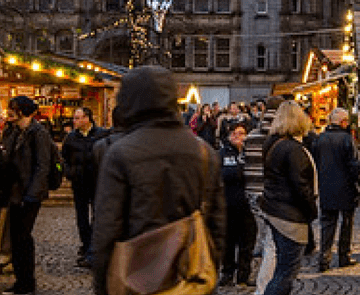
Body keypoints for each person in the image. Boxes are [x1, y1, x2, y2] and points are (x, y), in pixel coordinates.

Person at [91, 66, 225, 295]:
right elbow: (217, 224)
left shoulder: (120, 153)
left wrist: (103, 285)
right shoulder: (204, 152)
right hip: (190, 278)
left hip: (136, 278)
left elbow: (106, 228)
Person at [256, 101, 318, 295]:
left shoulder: (273, 143)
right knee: (286, 272)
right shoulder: (292, 149)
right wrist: (311, 210)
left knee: (282, 268)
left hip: (276, 209)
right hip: (290, 216)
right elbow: (300, 186)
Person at [0, 96, 53, 295]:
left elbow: (43, 166)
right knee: (16, 238)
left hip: (29, 194)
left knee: (23, 238)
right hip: (14, 193)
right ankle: (21, 280)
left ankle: (26, 283)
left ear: (22, 111)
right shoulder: (13, 131)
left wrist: (32, 194)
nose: (9, 112)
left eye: (12, 109)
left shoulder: (38, 133)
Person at [309, 108, 360, 271]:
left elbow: (314, 162)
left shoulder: (320, 139)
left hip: (326, 187)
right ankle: (343, 256)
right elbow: (354, 164)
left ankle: (324, 258)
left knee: (327, 223)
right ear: (343, 122)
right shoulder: (347, 139)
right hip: (346, 187)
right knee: (346, 223)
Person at [62, 107, 109, 268]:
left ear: (87, 118)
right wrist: (69, 172)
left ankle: (93, 249)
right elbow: (64, 158)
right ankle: (87, 245)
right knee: (82, 218)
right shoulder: (71, 138)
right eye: (74, 118)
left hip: (98, 182)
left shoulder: (101, 134)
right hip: (79, 182)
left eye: (77, 118)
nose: (74, 121)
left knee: (98, 216)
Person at [217, 123, 257, 286]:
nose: (238, 137)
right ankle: (227, 273)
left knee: (247, 242)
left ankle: (244, 274)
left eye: (242, 133)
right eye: (234, 133)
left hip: (248, 206)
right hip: (228, 205)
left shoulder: (251, 154)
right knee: (228, 242)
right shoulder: (222, 154)